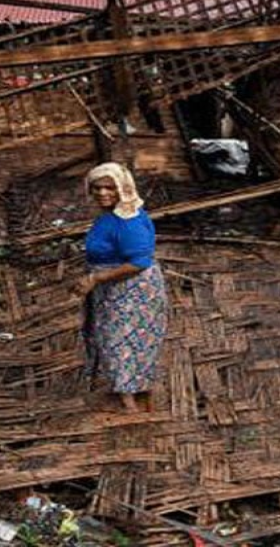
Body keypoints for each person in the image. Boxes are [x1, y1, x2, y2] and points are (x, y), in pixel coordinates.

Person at [75, 162, 169, 413]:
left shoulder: (129, 221)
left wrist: (97, 278)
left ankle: (129, 402)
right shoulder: (113, 215)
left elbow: (139, 262)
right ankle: (135, 388)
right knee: (121, 339)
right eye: (97, 188)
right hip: (113, 288)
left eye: (110, 187)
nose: (103, 193)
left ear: (123, 188)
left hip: (131, 290)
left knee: (124, 341)